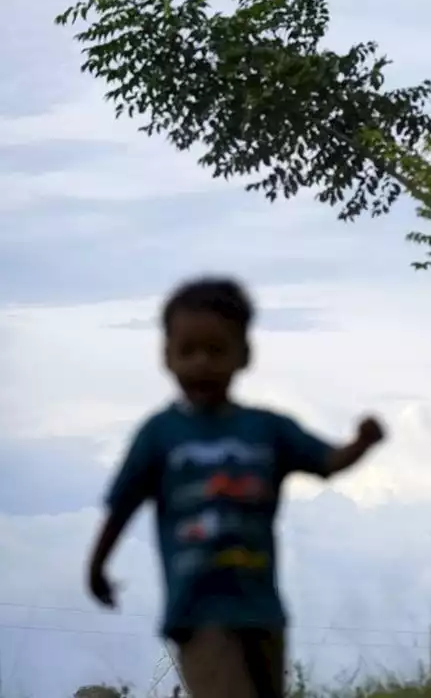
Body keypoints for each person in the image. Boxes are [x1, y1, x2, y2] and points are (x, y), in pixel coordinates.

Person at [85, 277, 386, 698]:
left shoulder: (267, 430)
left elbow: (326, 461)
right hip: (198, 612)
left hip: (261, 610)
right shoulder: (159, 436)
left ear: (244, 355)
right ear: (167, 356)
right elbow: (122, 505)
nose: (202, 363)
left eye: (216, 350)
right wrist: (97, 567)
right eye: (188, 351)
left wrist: (361, 443)